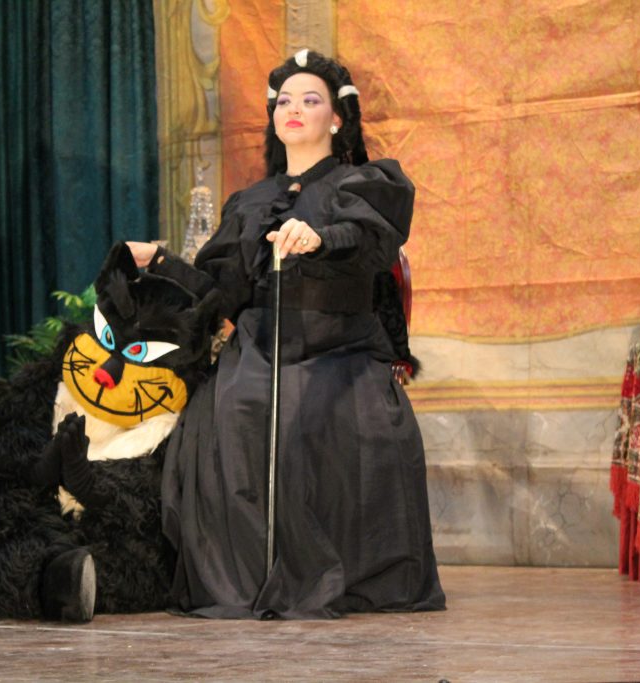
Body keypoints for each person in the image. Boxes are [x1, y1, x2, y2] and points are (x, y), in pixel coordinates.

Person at [127, 49, 445, 619]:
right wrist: (162, 262)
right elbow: (221, 293)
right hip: (260, 345)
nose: (293, 109)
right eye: (284, 102)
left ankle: (330, 574)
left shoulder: (364, 183)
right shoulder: (248, 202)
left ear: (337, 118)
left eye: (310, 100)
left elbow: (371, 242)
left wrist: (321, 239)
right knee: (235, 406)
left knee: (313, 410)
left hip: (340, 346)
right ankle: (245, 576)